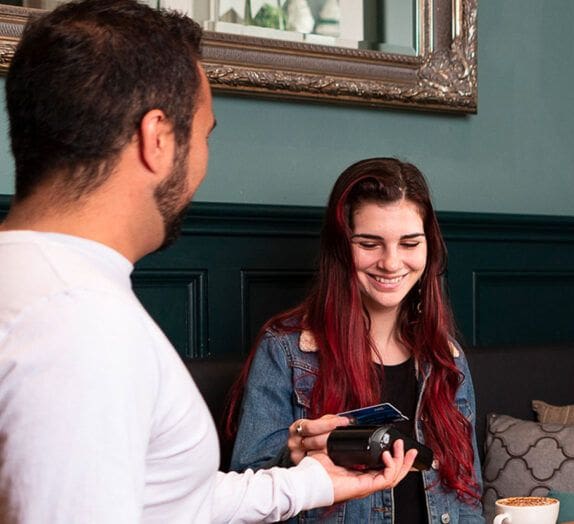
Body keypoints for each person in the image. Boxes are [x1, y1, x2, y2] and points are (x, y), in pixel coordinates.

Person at [0, 1, 417, 521]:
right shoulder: (78, 320)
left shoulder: (36, 283)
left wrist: (313, 482)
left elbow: (169, 502)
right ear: (157, 140)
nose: (202, 163)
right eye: (203, 134)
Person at [228, 157, 484, 523]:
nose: (392, 263)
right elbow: (246, 497)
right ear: (340, 248)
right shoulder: (285, 350)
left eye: (410, 243)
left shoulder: (447, 358)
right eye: (370, 243)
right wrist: (297, 455)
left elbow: (468, 496)